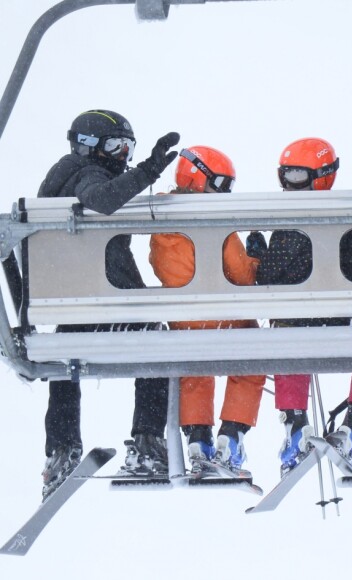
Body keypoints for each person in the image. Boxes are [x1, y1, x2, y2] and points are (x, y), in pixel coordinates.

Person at [38, 109, 180, 500]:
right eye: (117, 147)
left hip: (73, 302)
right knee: (158, 343)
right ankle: (148, 442)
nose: (124, 156)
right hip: (103, 299)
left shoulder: (64, 176)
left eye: (128, 148)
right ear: (90, 146)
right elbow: (101, 200)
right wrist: (149, 170)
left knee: (68, 360)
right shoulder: (85, 172)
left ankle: (63, 447)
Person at [246, 138, 352, 476]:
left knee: (288, 346)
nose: (288, 186)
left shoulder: (289, 220)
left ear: (320, 176)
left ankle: (296, 425)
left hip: (296, 323)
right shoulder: (344, 217)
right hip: (337, 321)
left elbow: (269, 274)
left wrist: (257, 252)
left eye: (295, 176)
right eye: (285, 176)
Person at [149, 146, 266, 472]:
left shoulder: (161, 224)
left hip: (184, 324)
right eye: (220, 185)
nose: (224, 194)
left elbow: (159, 268)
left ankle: (198, 436)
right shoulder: (217, 224)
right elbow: (243, 275)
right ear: (200, 179)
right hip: (226, 321)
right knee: (252, 355)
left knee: (195, 371)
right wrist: (257, 259)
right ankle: (232, 434)